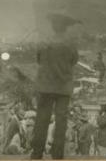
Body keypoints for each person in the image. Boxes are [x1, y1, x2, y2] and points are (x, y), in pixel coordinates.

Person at [31, 13, 81, 160]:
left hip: (45, 86)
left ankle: (36, 153)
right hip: (63, 87)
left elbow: (39, 60)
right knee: (61, 121)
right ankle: (57, 154)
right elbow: (74, 61)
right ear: (65, 28)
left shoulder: (44, 42)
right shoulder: (70, 44)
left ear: (53, 26)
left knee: (42, 119)